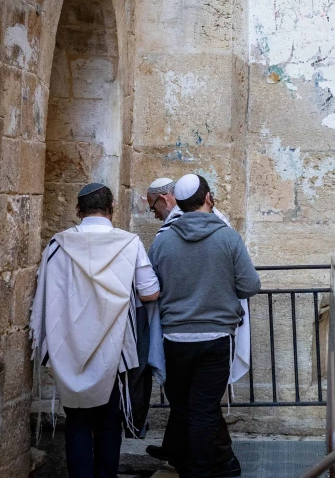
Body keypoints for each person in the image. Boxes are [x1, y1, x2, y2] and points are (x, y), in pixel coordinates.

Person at [30, 183, 160, 477]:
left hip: (69, 347)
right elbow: (150, 291)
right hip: (112, 349)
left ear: (78, 210)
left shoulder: (57, 245)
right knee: (108, 421)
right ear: (111, 208)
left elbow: (45, 293)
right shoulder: (129, 244)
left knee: (76, 421)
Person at [148, 174, 261, 478]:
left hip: (174, 338)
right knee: (204, 409)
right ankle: (203, 470)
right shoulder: (228, 237)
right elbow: (250, 285)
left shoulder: (163, 240)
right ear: (209, 198)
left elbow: (149, 287)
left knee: (185, 408)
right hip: (215, 338)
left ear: (178, 203)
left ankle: (201, 466)